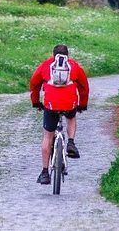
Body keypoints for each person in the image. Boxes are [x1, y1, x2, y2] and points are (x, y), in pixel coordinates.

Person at [30, 44, 89, 185]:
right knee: (71, 117)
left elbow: (34, 84)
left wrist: (36, 102)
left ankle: (45, 172)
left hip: (50, 105)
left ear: (53, 54)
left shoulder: (46, 65)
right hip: (70, 104)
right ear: (67, 55)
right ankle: (71, 143)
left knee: (48, 135)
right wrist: (82, 105)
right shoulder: (74, 66)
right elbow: (84, 87)